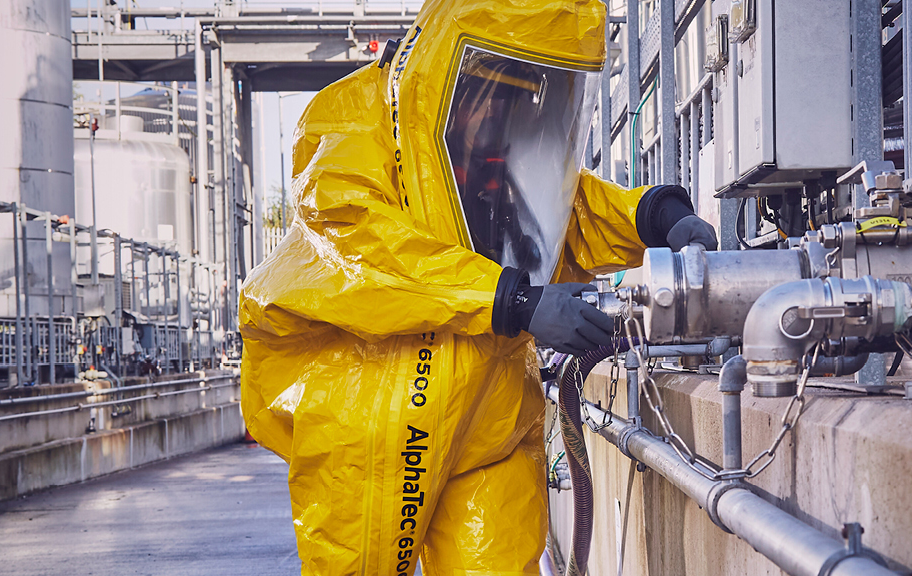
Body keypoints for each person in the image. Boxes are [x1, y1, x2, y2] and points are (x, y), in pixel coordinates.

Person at [236, 0, 716, 573]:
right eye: (495, 89)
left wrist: (653, 216)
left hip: (490, 413)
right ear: (450, 69)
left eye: (526, 93)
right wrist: (514, 300)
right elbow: (364, 243)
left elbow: (564, 210)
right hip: (373, 423)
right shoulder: (350, 120)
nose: (504, 113)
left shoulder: (491, 147)